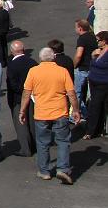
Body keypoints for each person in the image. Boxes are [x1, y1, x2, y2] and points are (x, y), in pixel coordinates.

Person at [19, 48, 81, 184]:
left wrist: (22, 111)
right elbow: (71, 93)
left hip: (41, 113)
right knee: (63, 141)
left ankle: (44, 171)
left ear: (41, 58)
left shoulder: (33, 71)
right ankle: (63, 169)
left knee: (42, 143)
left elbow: (26, 93)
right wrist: (76, 110)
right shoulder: (62, 71)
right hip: (60, 112)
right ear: (53, 58)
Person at [6, 40, 37, 157]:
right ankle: (35, 145)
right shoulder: (32, 62)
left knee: (21, 123)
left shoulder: (12, 66)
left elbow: (12, 85)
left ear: (12, 51)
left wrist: (23, 91)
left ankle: (26, 148)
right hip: (33, 96)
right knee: (32, 121)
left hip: (18, 98)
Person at [84, 31, 108, 140]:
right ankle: (98, 129)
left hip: (103, 83)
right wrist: (92, 56)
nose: (97, 42)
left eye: (98, 40)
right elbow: (92, 63)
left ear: (105, 41)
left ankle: (90, 131)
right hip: (93, 81)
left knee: (95, 105)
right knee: (99, 105)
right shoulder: (98, 51)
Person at [73, 19, 97, 122]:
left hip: (82, 69)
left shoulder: (82, 39)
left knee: (76, 93)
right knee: (89, 93)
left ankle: (76, 114)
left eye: (76, 27)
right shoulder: (92, 37)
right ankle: (86, 113)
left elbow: (79, 55)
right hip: (92, 68)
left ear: (80, 28)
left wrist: (74, 66)